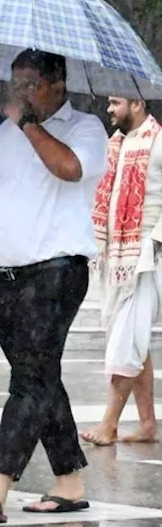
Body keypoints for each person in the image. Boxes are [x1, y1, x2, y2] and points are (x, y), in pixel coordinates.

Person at [0, 50, 107, 522]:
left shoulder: (84, 128)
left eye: (29, 86)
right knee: (41, 377)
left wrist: (26, 125)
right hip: (4, 272)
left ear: (57, 84)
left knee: (29, 378)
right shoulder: (3, 132)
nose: (19, 95)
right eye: (15, 85)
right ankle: (68, 479)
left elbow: (69, 169)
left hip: (55, 272)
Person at [80, 97, 162, 446]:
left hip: (146, 257)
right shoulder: (114, 145)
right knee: (132, 339)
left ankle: (108, 423)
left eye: (115, 103)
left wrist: (155, 243)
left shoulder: (158, 143)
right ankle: (147, 424)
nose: (109, 110)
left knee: (125, 343)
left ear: (137, 103)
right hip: (115, 256)